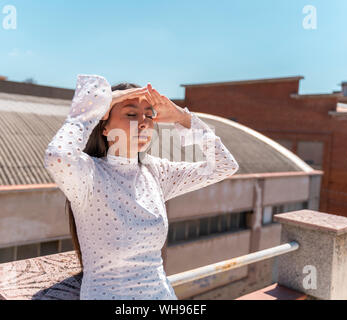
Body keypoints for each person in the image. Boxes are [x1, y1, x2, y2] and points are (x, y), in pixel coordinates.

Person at [44, 74, 239, 300]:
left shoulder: (156, 172)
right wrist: (93, 107)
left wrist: (182, 117)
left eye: (149, 115)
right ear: (104, 127)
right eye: (131, 114)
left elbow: (224, 166)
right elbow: (57, 156)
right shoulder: (89, 176)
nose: (144, 122)